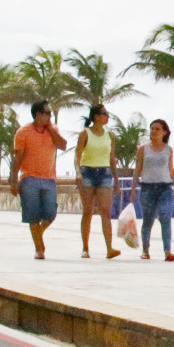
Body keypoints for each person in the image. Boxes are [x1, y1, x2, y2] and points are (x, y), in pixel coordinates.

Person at [11, 101, 65, 258]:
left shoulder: (53, 129)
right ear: (38, 114)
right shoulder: (23, 132)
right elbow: (18, 158)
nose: (50, 116)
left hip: (49, 178)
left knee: (50, 214)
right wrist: (14, 180)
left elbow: (62, 145)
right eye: (47, 113)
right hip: (29, 178)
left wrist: (51, 130)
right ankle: (39, 249)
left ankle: (37, 234)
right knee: (33, 215)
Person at [73, 103, 120, 258]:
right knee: (88, 212)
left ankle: (109, 248)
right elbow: (78, 155)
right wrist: (78, 173)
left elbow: (112, 159)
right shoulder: (85, 134)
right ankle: (85, 248)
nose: (107, 117)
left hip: (105, 173)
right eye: (104, 114)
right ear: (96, 116)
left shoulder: (110, 135)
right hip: (88, 172)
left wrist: (117, 180)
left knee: (105, 212)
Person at [134, 118, 174, 261]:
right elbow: (138, 169)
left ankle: (167, 251)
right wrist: (132, 188)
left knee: (165, 217)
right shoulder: (143, 148)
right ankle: (145, 250)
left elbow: (171, 169)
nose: (154, 131)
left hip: (165, 187)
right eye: (152, 129)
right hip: (147, 187)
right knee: (148, 220)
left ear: (164, 132)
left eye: (157, 129)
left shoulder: (168, 150)